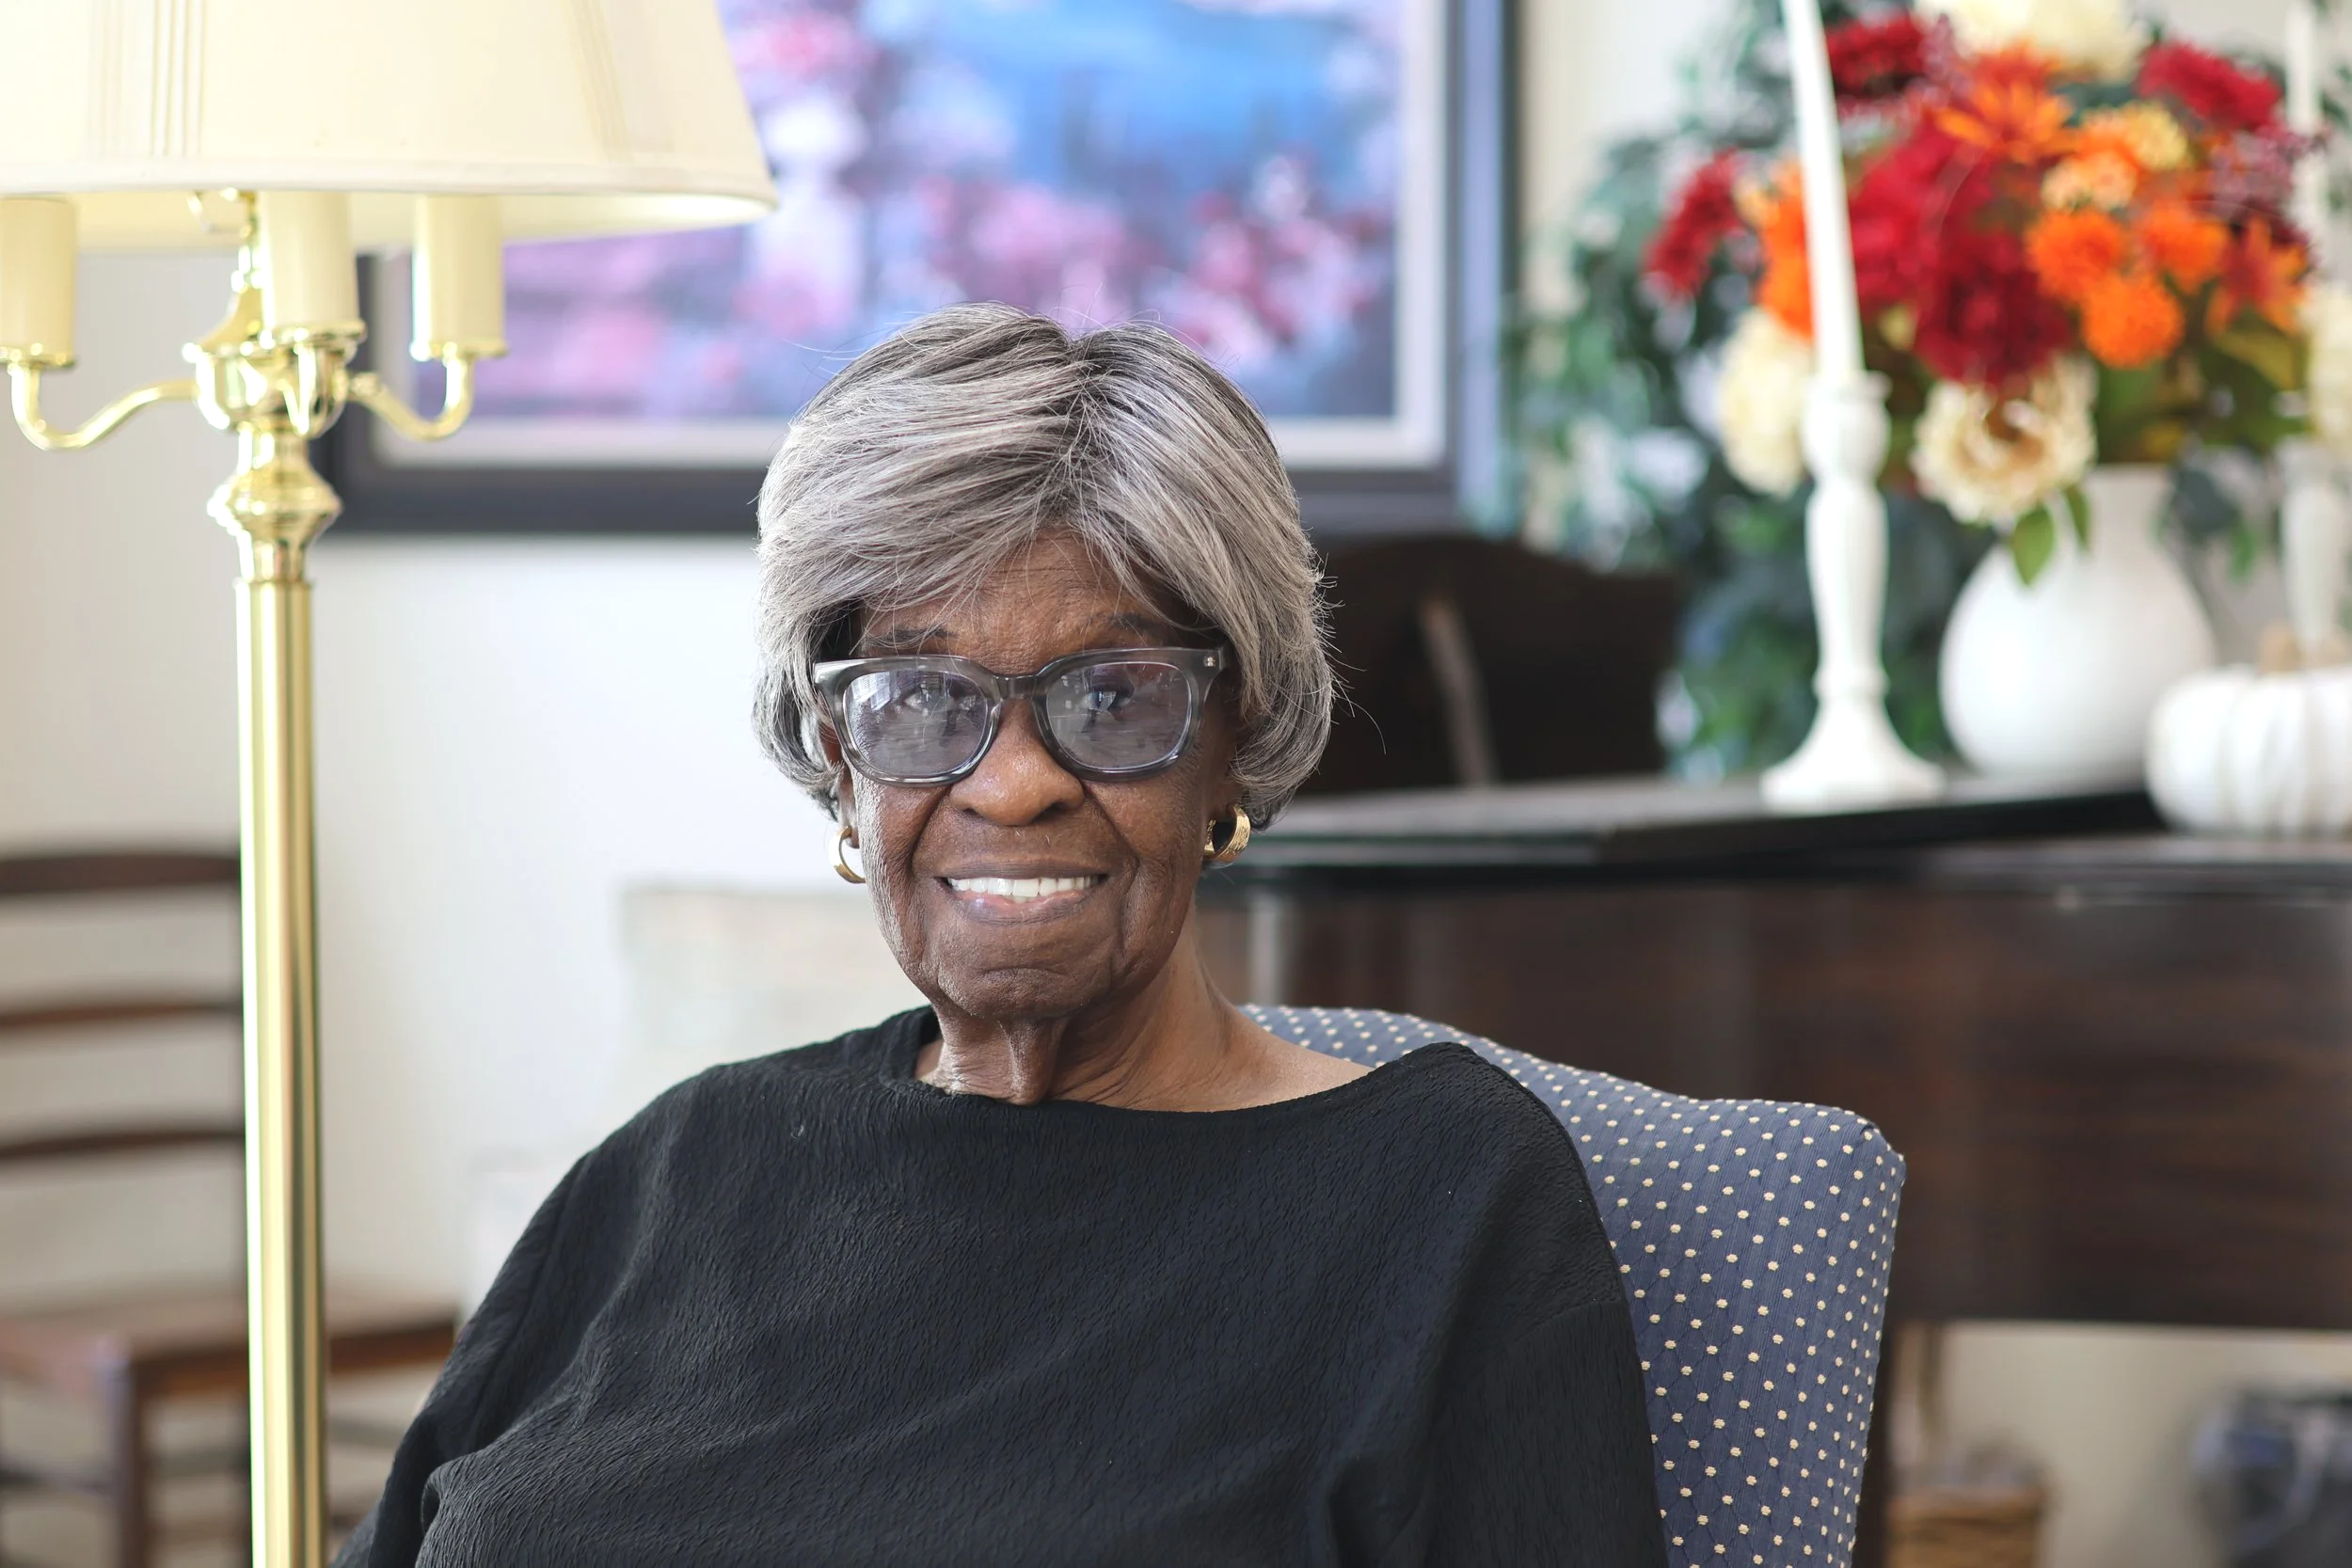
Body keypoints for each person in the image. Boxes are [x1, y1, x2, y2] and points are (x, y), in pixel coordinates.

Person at [337, 305, 1667, 1567]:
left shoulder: (1444, 1204)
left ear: (1234, 746)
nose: (1013, 780)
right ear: (839, 764)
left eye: (1113, 692)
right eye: (919, 696)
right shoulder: (678, 1167)